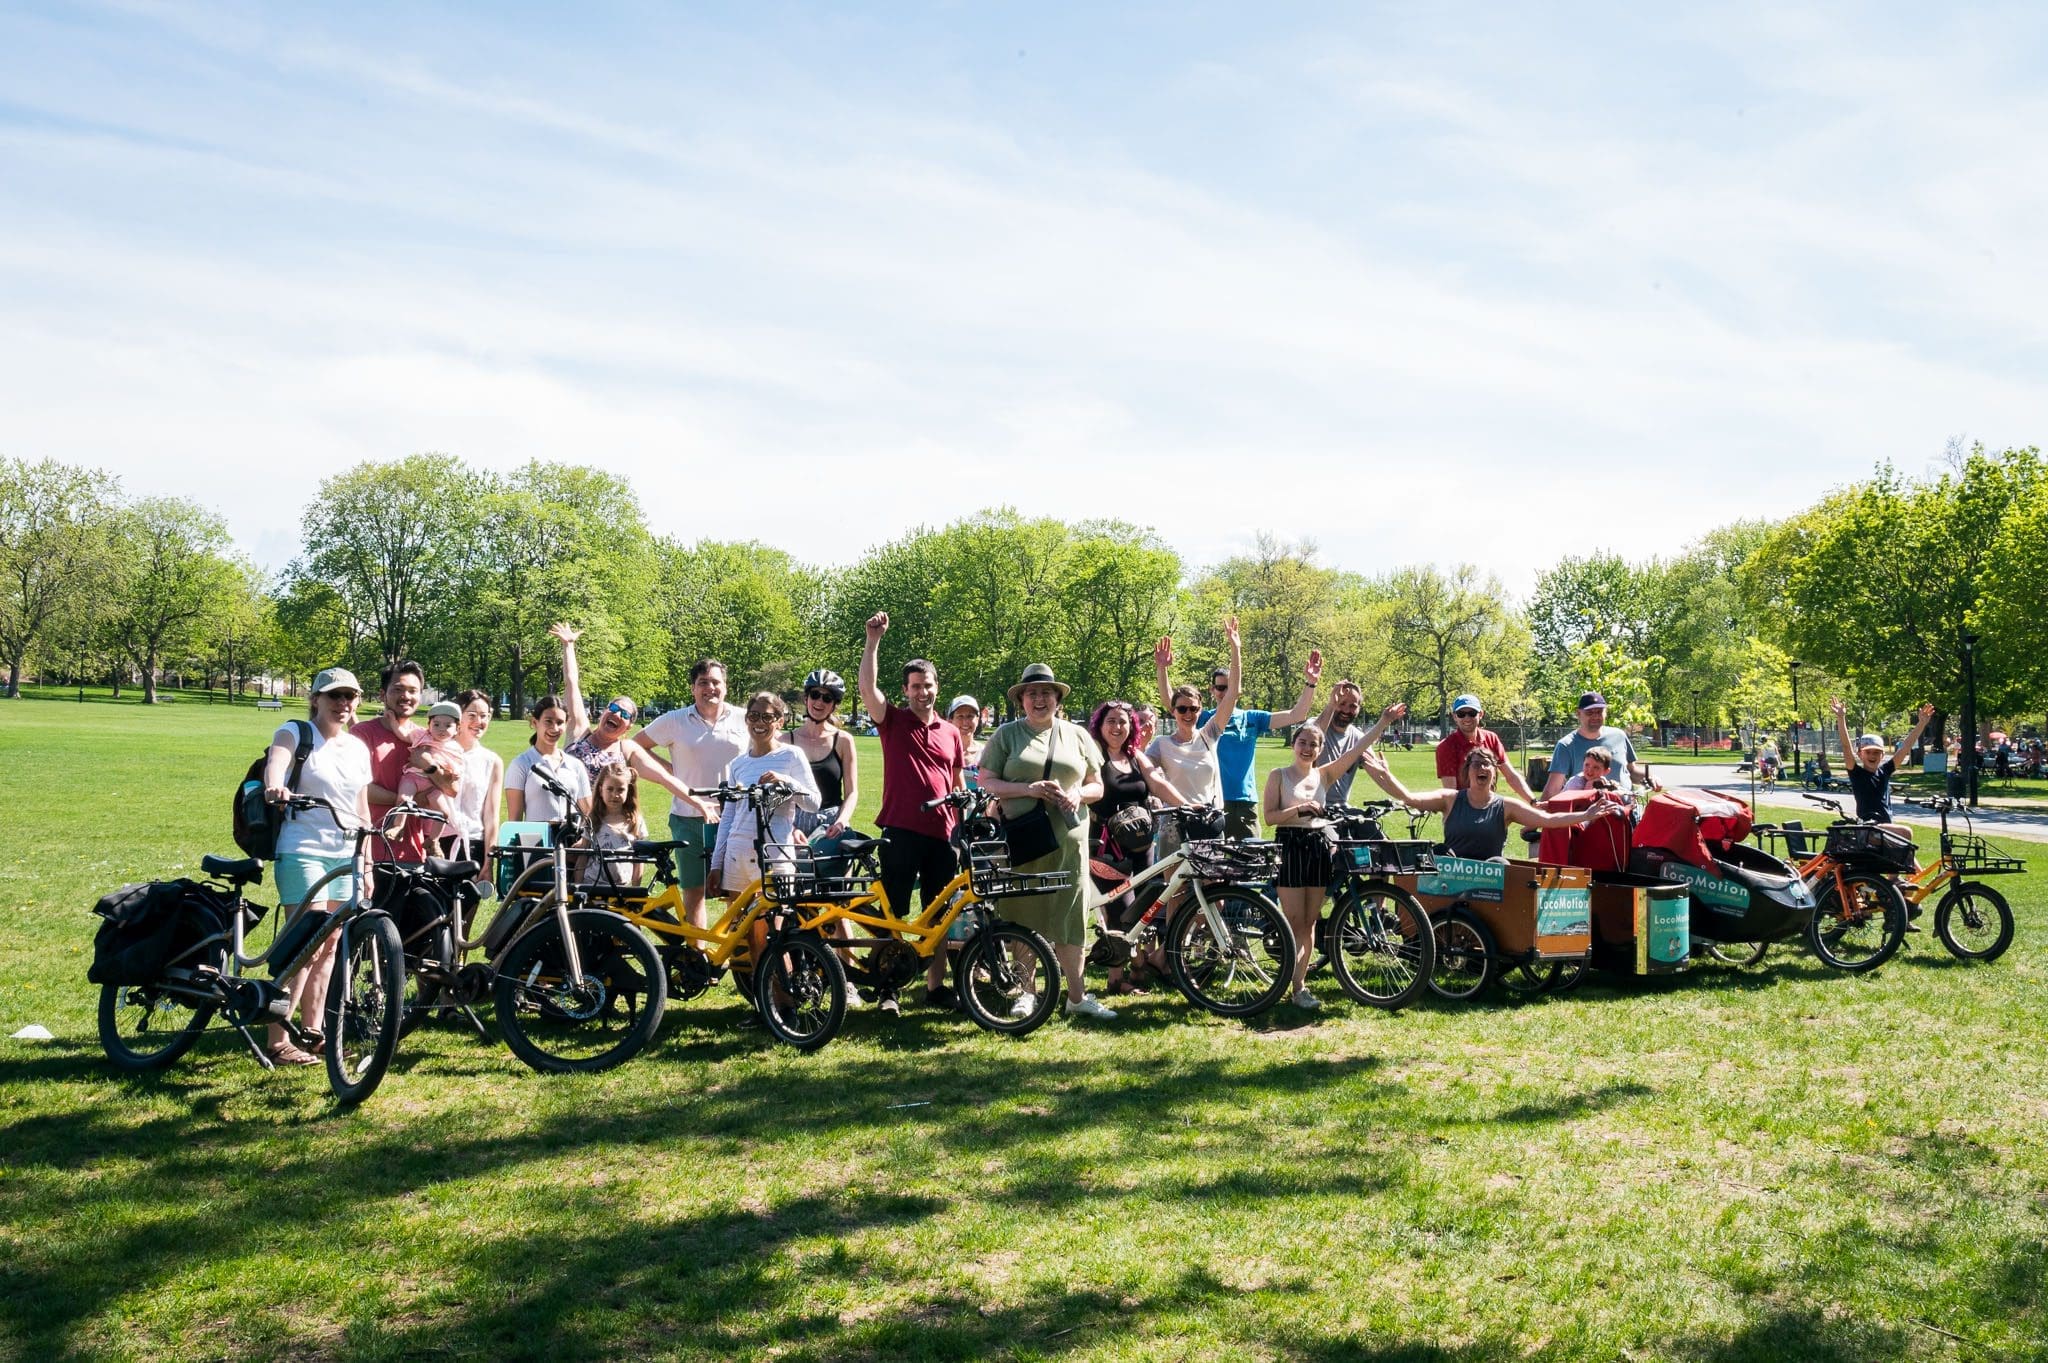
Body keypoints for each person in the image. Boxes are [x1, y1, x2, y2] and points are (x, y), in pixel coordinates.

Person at [979, 664, 1111, 1019]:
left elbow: (1098, 785)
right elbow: (986, 780)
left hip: (1069, 845)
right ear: (1022, 699)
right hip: (1023, 842)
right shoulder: (1006, 736)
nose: (1039, 699)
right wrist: (1028, 789)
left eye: (1046, 692)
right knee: (1024, 915)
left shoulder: (1077, 735)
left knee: (1070, 915)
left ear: (1057, 698)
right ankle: (1027, 993)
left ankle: (1077, 997)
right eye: (1032, 693)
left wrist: (1077, 795)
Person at [262, 667, 376, 1065]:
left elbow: (361, 808)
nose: (342, 704)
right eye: (334, 697)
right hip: (302, 848)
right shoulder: (295, 732)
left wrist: (367, 861)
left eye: (349, 697)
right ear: (316, 699)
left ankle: (312, 1033)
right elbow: (275, 763)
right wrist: (276, 786)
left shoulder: (357, 748)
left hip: (346, 852)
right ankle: (277, 1038)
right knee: (304, 943)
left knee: (329, 946)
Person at [857, 612, 966, 1015]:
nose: (923, 692)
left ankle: (935, 988)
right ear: (905, 690)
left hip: (943, 835)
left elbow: (956, 780)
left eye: (929, 685)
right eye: (916, 686)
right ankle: (889, 989)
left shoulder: (950, 731)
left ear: (937, 687)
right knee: (894, 913)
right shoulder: (893, 721)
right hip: (900, 830)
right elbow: (867, 688)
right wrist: (874, 641)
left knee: (940, 912)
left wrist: (964, 818)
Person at [1260, 721, 1398, 1009]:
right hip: (1290, 846)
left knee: (1310, 922)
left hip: (1318, 847)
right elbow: (1270, 817)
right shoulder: (1278, 775)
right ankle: (1288, 981)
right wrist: (1299, 808)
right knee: (1294, 921)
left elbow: (1357, 749)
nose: (1307, 749)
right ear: (1293, 743)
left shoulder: (1324, 775)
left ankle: (1298, 987)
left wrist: (1383, 722)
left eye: (1314, 744)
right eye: (1303, 742)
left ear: (1321, 749)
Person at [1156, 627, 1322, 839]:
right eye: (1219, 688)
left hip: (1244, 803)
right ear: (1212, 690)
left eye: (1228, 687)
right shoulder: (1204, 720)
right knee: (1210, 865)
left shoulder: (1252, 718)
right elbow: (1172, 703)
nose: (1224, 692)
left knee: (1250, 863)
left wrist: (1311, 683)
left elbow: (1297, 714)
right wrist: (1162, 669)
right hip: (1210, 802)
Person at [553, 623, 716, 823]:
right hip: (565, 819)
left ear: (629, 726)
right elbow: (571, 683)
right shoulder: (579, 731)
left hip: (605, 827)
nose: (617, 715)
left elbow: (664, 779)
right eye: (613, 709)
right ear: (604, 712)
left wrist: (698, 803)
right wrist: (568, 646)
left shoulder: (627, 749)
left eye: (625, 714)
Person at [633, 657, 747, 929]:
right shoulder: (675, 720)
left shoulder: (743, 718)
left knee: (737, 893)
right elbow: (635, 748)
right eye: (703, 683)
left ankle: (740, 957)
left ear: (726, 686)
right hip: (688, 817)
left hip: (735, 819)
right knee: (694, 892)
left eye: (716, 682)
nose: (710, 688)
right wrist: (670, 773)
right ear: (693, 688)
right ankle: (698, 960)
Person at [1086, 698, 1188, 996]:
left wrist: (1187, 804)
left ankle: (1138, 968)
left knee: (1146, 906)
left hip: (1141, 841)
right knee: (1122, 910)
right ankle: (1115, 980)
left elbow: (1156, 782)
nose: (1117, 727)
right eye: (1111, 721)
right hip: (1107, 846)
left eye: (1123, 722)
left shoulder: (1135, 756)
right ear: (1100, 725)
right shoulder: (1094, 756)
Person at [1359, 747, 1623, 861]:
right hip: (1453, 875)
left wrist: (1587, 814)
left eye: (1487, 764)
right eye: (1476, 764)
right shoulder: (1449, 799)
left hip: (1491, 879)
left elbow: (1549, 821)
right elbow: (1410, 798)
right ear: (1467, 772)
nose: (1482, 768)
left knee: (1501, 863)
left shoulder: (1506, 806)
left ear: (1494, 774)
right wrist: (1385, 774)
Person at [708, 692, 821, 897]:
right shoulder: (738, 764)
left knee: (770, 927)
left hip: (774, 855)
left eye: (767, 717)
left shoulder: (791, 755)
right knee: (738, 928)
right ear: (747, 719)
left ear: (779, 721)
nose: (759, 722)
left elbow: (813, 803)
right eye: (753, 716)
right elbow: (728, 817)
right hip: (737, 855)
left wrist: (787, 782)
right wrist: (716, 863)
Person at [1147, 618, 1243, 846]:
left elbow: (1232, 695)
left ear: (1201, 710)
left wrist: (1235, 649)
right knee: (1175, 883)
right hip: (1174, 823)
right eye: (1181, 709)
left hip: (1208, 820)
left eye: (1193, 708)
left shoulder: (1209, 735)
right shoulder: (1161, 744)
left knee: (1211, 882)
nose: (1188, 713)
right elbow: (1145, 771)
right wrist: (1161, 669)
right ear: (1173, 711)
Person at [350, 660, 450, 866]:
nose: (406, 696)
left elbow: (451, 788)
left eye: (413, 691)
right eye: (398, 689)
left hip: (414, 851)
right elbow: (355, 788)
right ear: (382, 694)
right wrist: (410, 802)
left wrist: (429, 767)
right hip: (370, 851)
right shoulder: (362, 734)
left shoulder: (426, 737)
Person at [1834, 697, 1935, 825]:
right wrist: (1841, 718)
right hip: (1868, 828)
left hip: (1886, 827)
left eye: (1876, 752)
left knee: (1904, 841)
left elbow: (1905, 747)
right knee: (1906, 832)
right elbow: (1846, 746)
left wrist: (1921, 723)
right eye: (1868, 752)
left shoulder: (1884, 771)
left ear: (1882, 755)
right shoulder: (1856, 773)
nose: (1872, 755)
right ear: (1860, 754)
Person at [789, 668, 859, 847]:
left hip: (832, 822)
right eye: (815, 695)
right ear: (806, 698)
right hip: (794, 822)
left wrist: (841, 821)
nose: (819, 701)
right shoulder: (785, 741)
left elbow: (851, 792)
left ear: (834, 705)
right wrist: (790, 828)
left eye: (827, 698)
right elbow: (777, 796)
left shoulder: (843, 740)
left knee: (838, 873)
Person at [1310, 682, 1409, 805]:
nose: (1346, 710)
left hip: (1339, 808)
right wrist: (1331, 704)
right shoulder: (1316, 725)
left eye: (1353, 706)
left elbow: (1380, 777)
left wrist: (1411, 800)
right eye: (1342, 703)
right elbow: (1313, 735)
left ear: (1359, 709)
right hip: (1309, 805)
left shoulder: (1358, 738)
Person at [505, 694, 593, 824]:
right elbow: (515, 819)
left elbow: (587, 811)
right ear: (535, 723)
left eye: (559, 722)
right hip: (536, 841)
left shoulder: (576, 765)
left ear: (566, 724)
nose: (554, 728)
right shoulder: (521, 764)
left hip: (571, 841)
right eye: (548, 721)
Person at [1542, 693, 1646, 799]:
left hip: (1627, 810)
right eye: (1589, 712)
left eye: (1599, 712)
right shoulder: (1566, 745)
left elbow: (1631, 771)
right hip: (1590, 813)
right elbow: (1553, 789)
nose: (1595, 716)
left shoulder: (1619, 736)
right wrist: (1539, 812)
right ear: (1578, 713)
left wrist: (1649, 777)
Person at [1437, 694, 1537, 802]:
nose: (1467, 718)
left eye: (1472, 713)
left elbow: (1511, 776)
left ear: (1481, 714)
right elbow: (1451, 792)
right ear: (1455, 717)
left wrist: (1533, 802)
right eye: (1461, 714)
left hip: (1489, 807)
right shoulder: (1446, 746)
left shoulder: (1491, 738)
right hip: (1461, 810)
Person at [447, 688, 504, 867]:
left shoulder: (492, 761)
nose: (478, 722)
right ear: (459, 716)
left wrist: (488, 862)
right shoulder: (439, 751)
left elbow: (491, 816)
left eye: (484, 716)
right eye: (471, 715)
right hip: (438, 841)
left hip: (473, 845)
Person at [398, 700, 465, 842]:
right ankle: (398, 826)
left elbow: (455, 773)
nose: (441, 729)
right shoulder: (421, 735)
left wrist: (450, 773)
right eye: (436, 724)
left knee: (443, 813)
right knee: (404, 799)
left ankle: (433, 841)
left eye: (448, 725)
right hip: (414, 777)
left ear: (457, 729)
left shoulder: (455, 748)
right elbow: (402, 734)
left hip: (433, 786)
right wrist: (392, 720)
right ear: (429, 725)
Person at [578, 764, 649, 887]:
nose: (615, 795)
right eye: (610, 789)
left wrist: (635, 890)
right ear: (601, 790)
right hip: (593, 885)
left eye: (620, 790)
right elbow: (583, 856)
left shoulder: (635, 821)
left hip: (622, 887)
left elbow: (639, 860)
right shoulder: (594, 819)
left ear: (629, 790)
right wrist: (577, 887)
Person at [948, 695, 986, 786]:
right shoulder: (944, 753)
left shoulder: (986, 753)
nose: (965, 722)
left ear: (977, 720)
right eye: (960, 716)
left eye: (970, 716)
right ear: (950, 721)